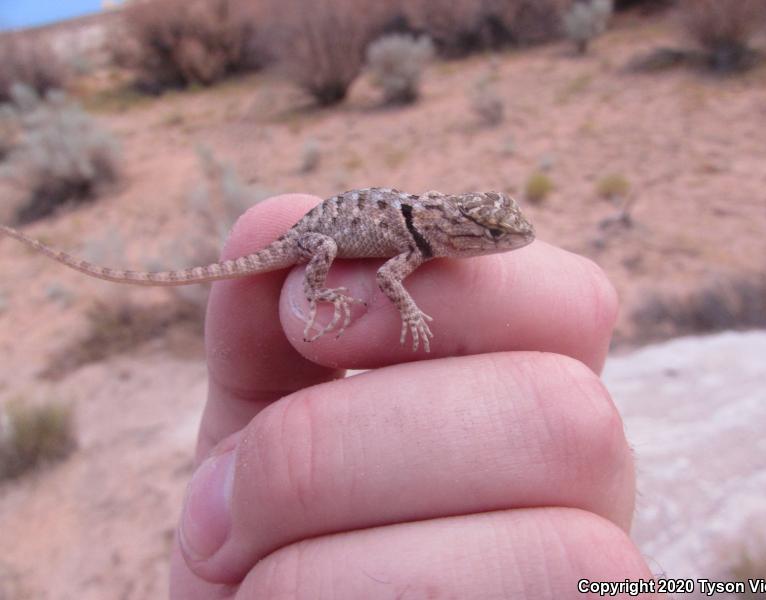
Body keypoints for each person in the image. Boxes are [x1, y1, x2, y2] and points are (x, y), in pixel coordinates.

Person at [169, 193, 661, 599]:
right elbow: (385, 277)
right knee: (319, 253)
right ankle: (318, 292)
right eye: (493, 236)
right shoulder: (419, 241)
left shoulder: (426, 237)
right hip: (311, 238)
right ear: (463, 232)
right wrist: (398, 308)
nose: (509, 243)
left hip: (330, 229)